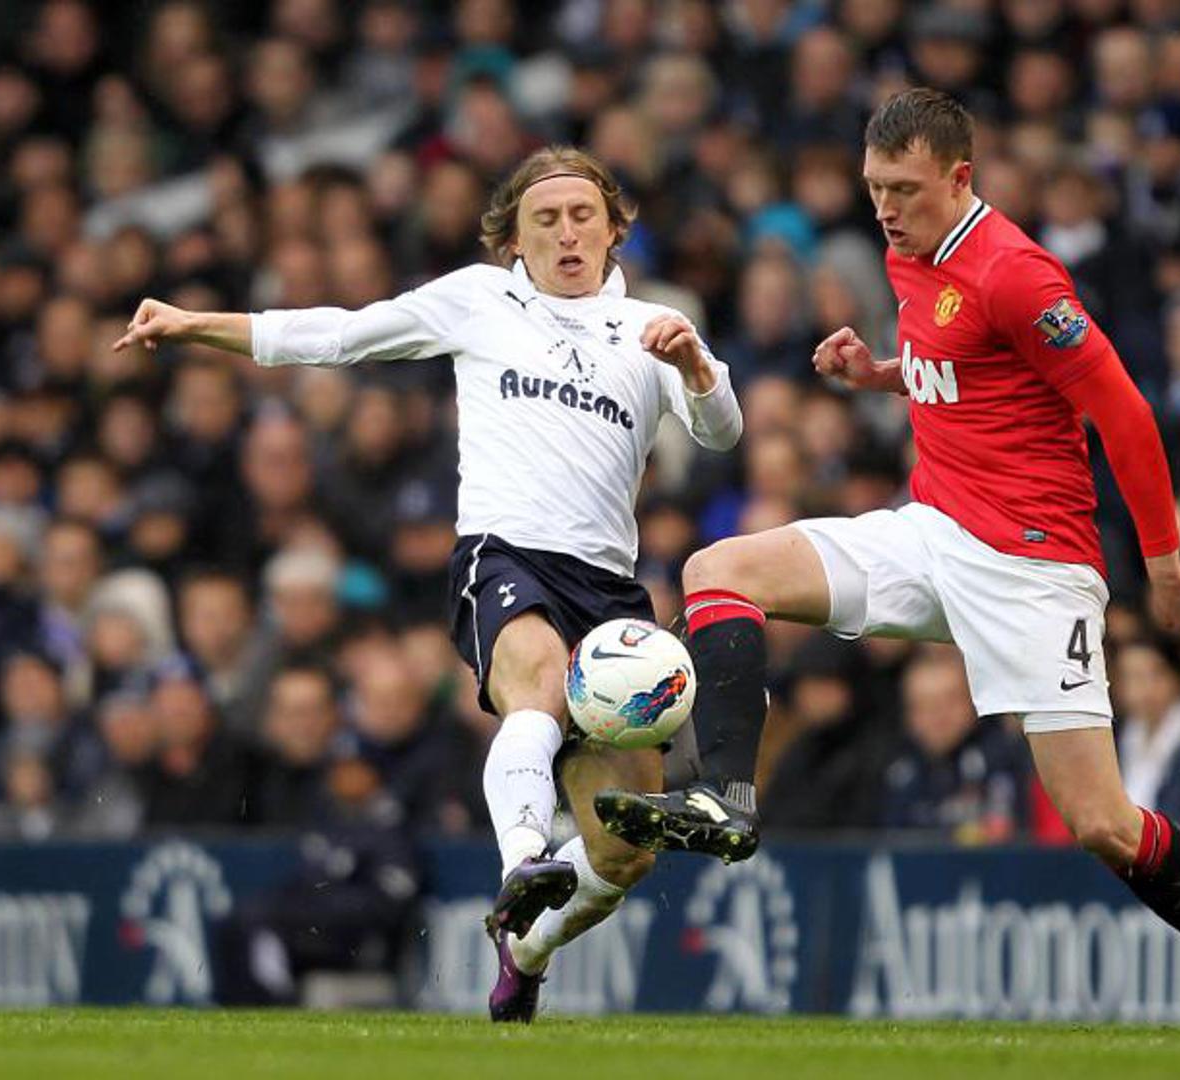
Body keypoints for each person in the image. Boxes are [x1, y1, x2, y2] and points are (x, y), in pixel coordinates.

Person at [596, 89, 1180, 1035]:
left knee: (1102, 824)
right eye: (875, 187)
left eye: (905, 190)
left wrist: (1163, 564)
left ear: (960, 178)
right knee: (719, 570)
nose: (886, 208)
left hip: (1034, 565)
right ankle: (726, 797)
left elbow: (1123, 413)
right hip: (934, 529)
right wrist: (882, 374)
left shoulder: (1019, 275)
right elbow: (970, 370)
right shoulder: (908, 252)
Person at [111, 146, 743, 1022]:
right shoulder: (479, 301)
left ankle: (526, 947)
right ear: (513, 240)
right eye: (546, 219)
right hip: (505, 557)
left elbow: (722, 434)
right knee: (537, 686)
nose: (566, 233)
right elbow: (341, 334)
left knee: (623, 854)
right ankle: (523, 858)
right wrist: (195, 324)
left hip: (610, 595)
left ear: (611, 231)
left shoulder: (653, 327)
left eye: (582, 216)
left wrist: (699, 373)